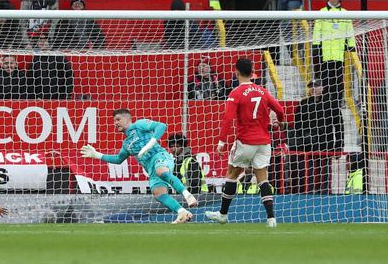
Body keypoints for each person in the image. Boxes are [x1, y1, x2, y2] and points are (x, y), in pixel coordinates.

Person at [205, 57, 285, 227]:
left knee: (232, 176)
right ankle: (271, 219)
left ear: (236, 73)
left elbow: (227, 118)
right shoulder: (262, 91)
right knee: (263, 179)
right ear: (251, 72)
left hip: (246, 141)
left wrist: (221, 141)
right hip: (264, 142)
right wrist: (281, 120)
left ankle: (223, 215)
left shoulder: (236, 93)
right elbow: (279, 109)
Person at [81, 109, 198, 223]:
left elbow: (161, 126)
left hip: (159, 156)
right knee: (159, 194)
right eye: (114, 120)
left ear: (127, 118)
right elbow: (118, 159)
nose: (115, 123)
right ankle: (182, 212)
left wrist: (150, 144)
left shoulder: (139, 125)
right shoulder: (127, 144)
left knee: (161, 171)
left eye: (118, 119)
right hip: (150, 168)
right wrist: (97, 155)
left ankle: (188, 195)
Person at [292, 78, 343, 193]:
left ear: (322, 88)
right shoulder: (304, 104)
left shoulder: (331, 103)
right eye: (311, 87)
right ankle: (309, 196)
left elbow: (339, 126)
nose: (313, 89)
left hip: (326, 145)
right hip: (308, 145)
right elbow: (297, 125)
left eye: (316, 86)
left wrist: (339, 145)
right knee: (308, 174)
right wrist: (304, 137)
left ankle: (325, 195)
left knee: (325, 174)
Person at [313, 0, 356, 103]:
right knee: (325, 78)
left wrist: (352, 46)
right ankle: (325, 100)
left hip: (339, 53)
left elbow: (350, 32)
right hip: (325, 53)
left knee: (338, 79)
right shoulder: (322, 12)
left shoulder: (345, 13)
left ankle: (338, 100)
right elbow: (317, 30)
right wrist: (316, 45)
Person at [25, 34, 74, 99]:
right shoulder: (34, 60)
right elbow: (30, 80)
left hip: (60, 97)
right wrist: (34, 97)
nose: (42, 42)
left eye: (45, 40)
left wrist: (67, 93)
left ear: (49, 43)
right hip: (41, 98)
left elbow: (69, 75)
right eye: (40, 41)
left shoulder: (59, 57)